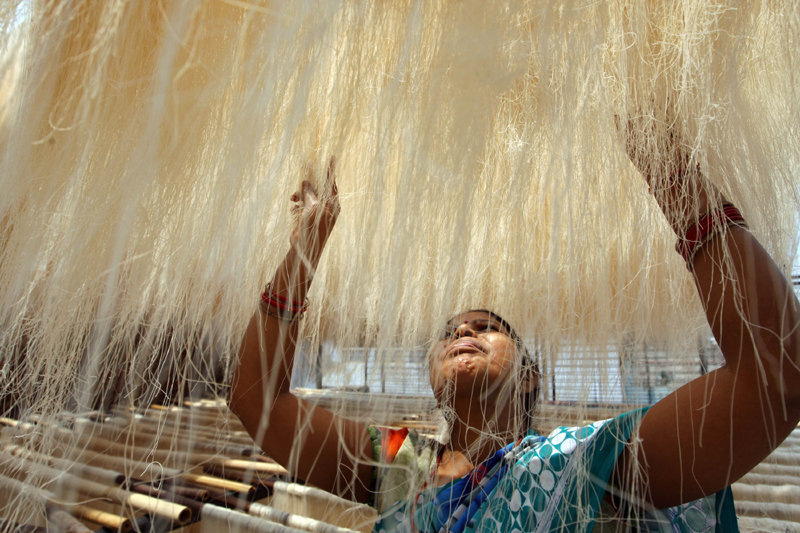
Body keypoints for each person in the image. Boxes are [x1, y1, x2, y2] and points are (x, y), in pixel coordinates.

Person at [229, 133, 800, 532]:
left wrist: (674, 173)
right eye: (451, 331)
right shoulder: (402, 466)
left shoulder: (587, 463)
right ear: (431, 381)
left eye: (488, 328)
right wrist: (305, 246)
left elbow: (776, 377)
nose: (465, 331)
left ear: (531, 378)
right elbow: (256, 402)